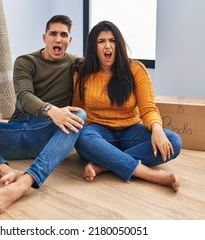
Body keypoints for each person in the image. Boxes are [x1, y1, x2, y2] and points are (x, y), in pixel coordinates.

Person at [0, 15, 86, 214]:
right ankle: (5, 171)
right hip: (12, 132)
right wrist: (50, 110)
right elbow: (23, 97)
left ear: (69, 41)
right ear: (44, 37)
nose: (57, 39)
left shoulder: (76, 64)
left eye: (63, 35)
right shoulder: (25, 61)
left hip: (43, 135)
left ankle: (24, 183)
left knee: (79, 115)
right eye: (53, 34)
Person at [72, 20, 181, 191]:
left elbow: (148, 108)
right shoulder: (82, 74)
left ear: (119, 44)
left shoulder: (136, 69)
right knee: (82, 138)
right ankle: (151, 175)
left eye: (112, 40)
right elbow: (79, 111)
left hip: (131, 132)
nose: (107, 46)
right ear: (93, 47)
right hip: (99, 133)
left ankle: (104, 165)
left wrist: (157, 130)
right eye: (101, 41)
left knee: (173, 141)